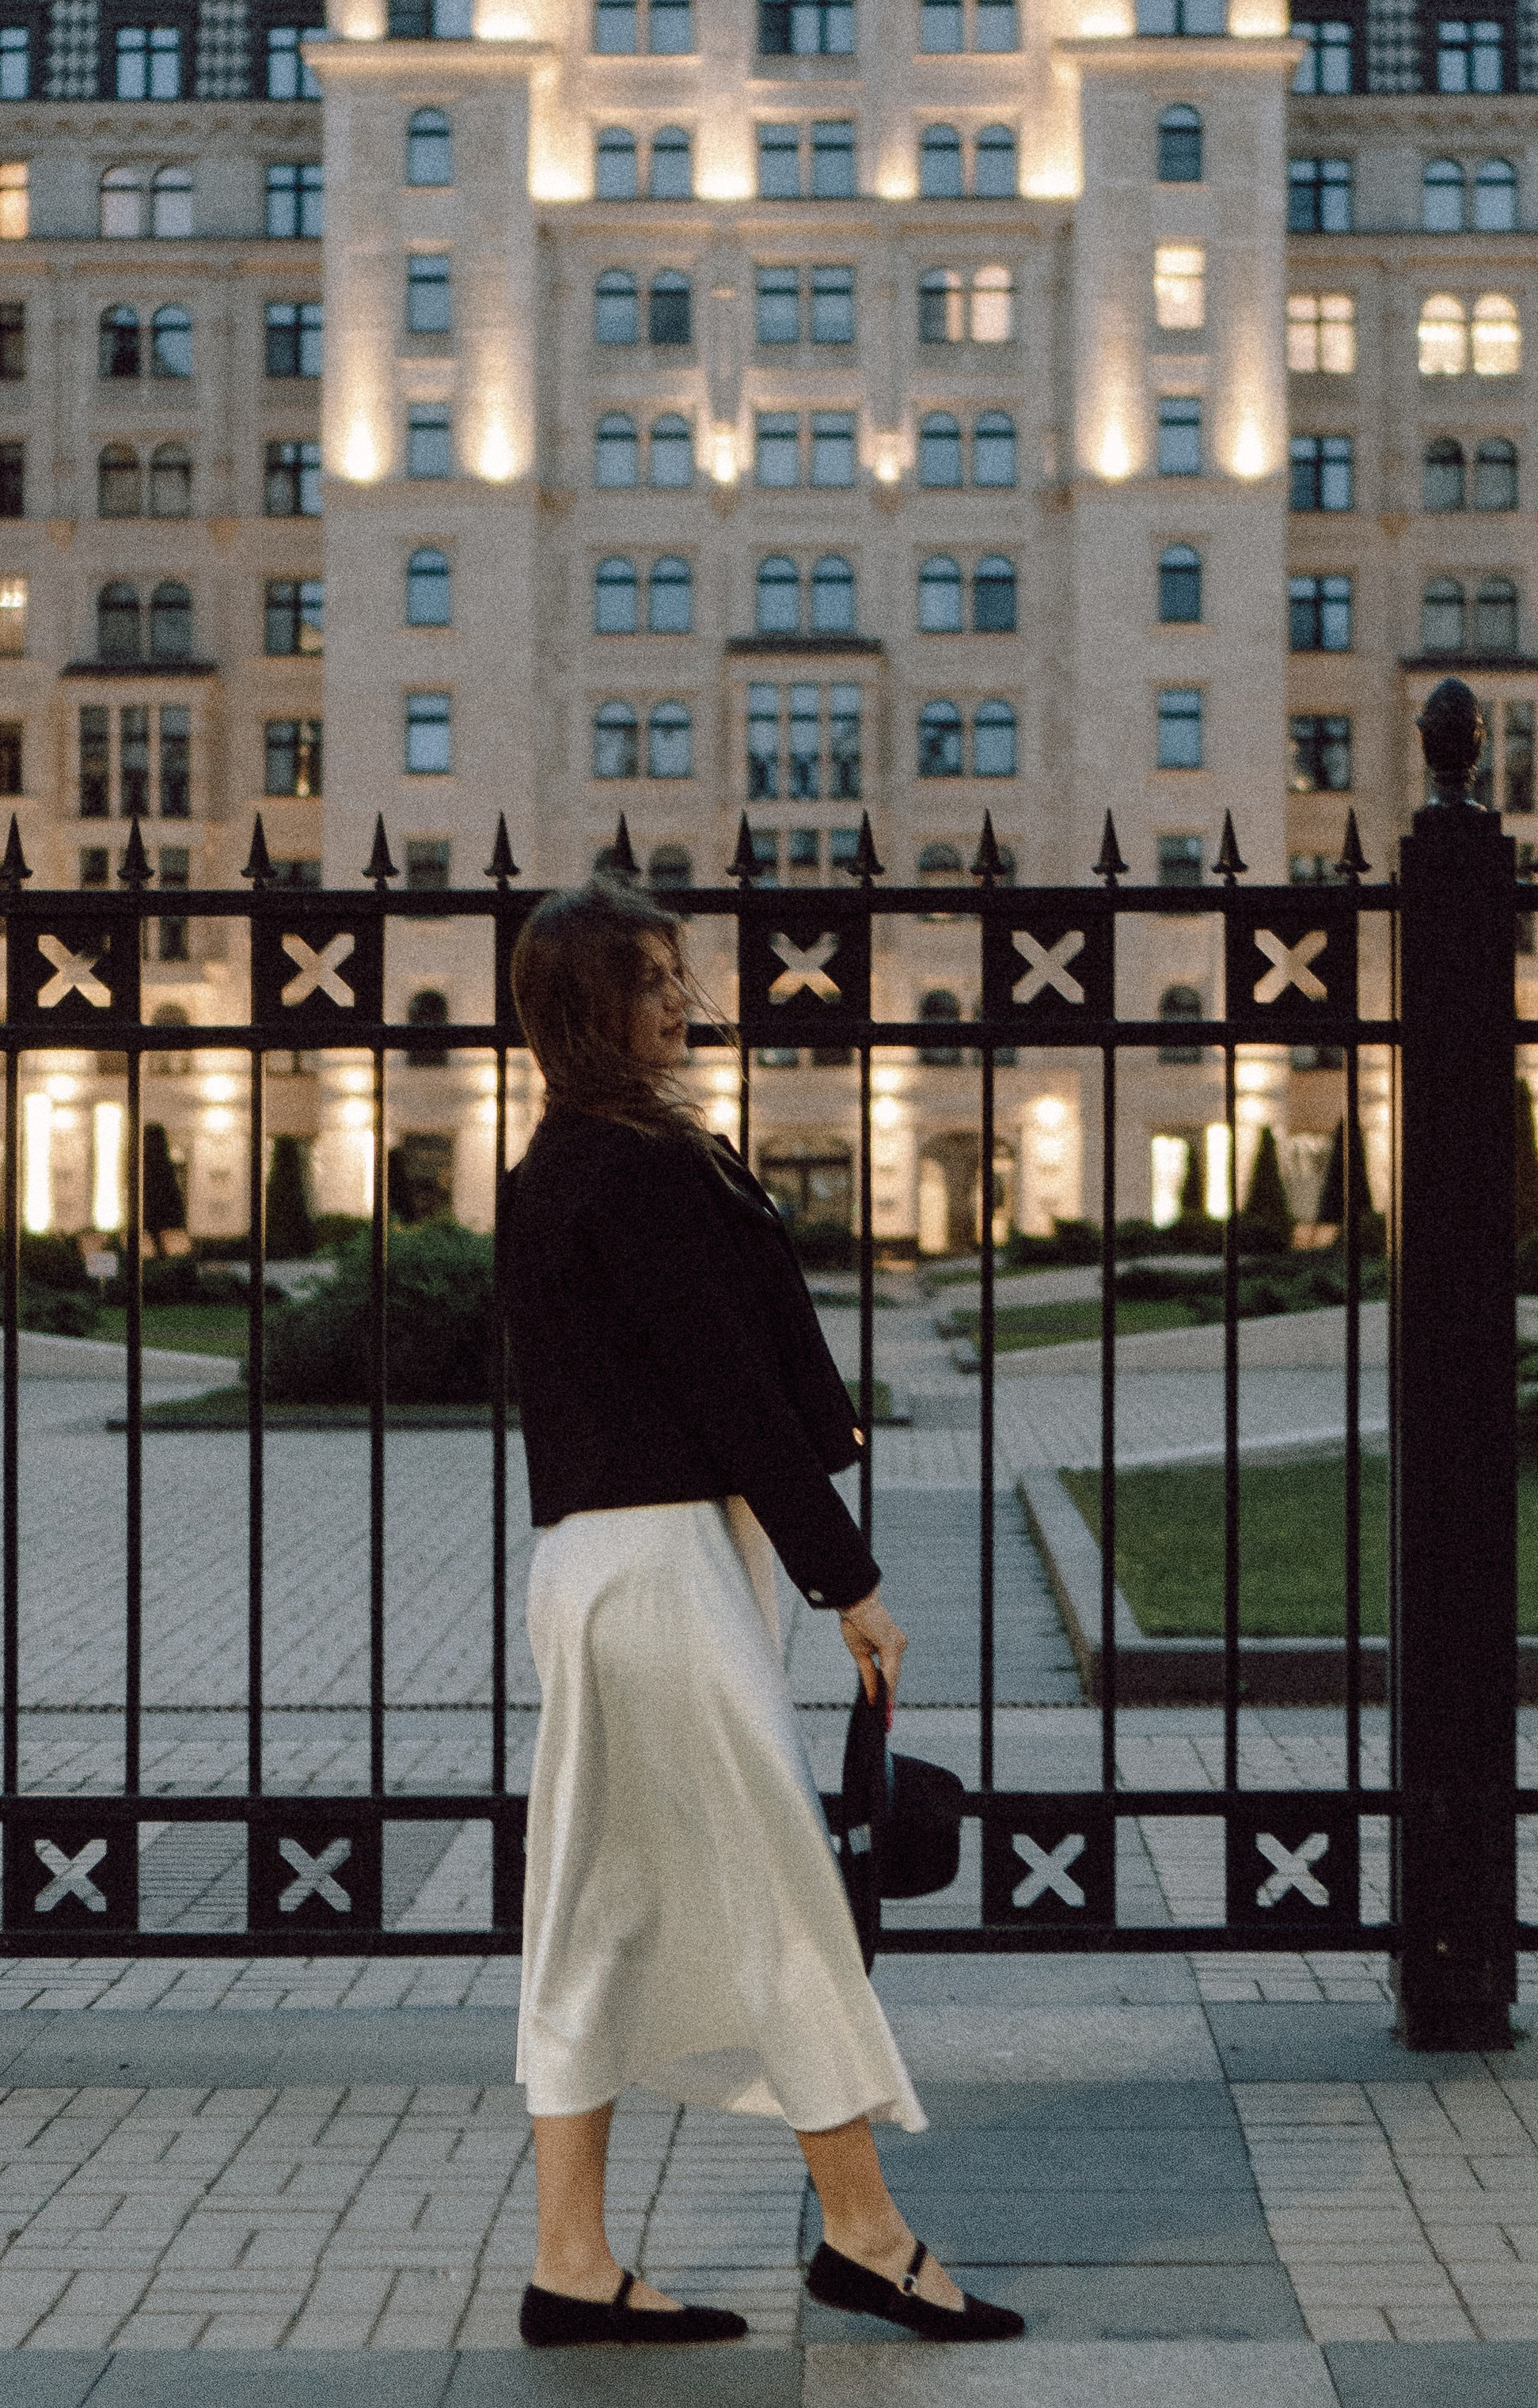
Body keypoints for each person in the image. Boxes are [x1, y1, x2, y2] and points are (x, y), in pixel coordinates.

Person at [500, 874, 1022, 2349]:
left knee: (591, 1911)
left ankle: (572, 2262)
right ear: (586, 1008)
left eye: (678, 974)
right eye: (651, 980)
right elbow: (727, 1389)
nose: (681, 1000)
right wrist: (848, 1578)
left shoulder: (573, 1159)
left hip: (610, 1573)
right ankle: (865, 2237)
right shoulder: (632, 1167)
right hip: (658, 1571)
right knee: (790, 1895)